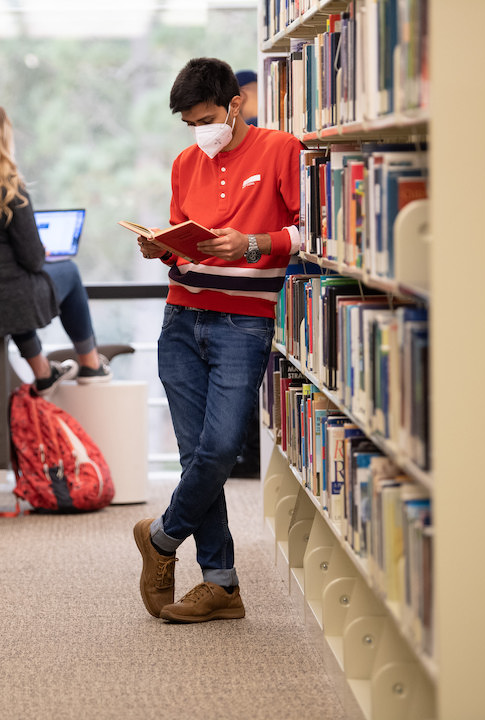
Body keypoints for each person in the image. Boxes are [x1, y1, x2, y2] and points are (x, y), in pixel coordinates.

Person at [132, 58, 303, 623]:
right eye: (189, 124)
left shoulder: (281, 149)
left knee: (221, 447)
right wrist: (163, 248)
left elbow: (313, 231)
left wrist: (253, 245)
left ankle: (160, 538)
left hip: (242, 323)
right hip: (180, 319)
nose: (199, 132)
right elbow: (188, 241)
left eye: (206, 118)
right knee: (192, 455)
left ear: (236, 105)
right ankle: (221, 582)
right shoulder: (186, 162)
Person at [0, 97, 111, 398]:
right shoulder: (8, 189)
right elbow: (32, 259)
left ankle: (43, 371)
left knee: (7, 278)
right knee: (67, 270)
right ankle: (91, 363)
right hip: (3, 301)